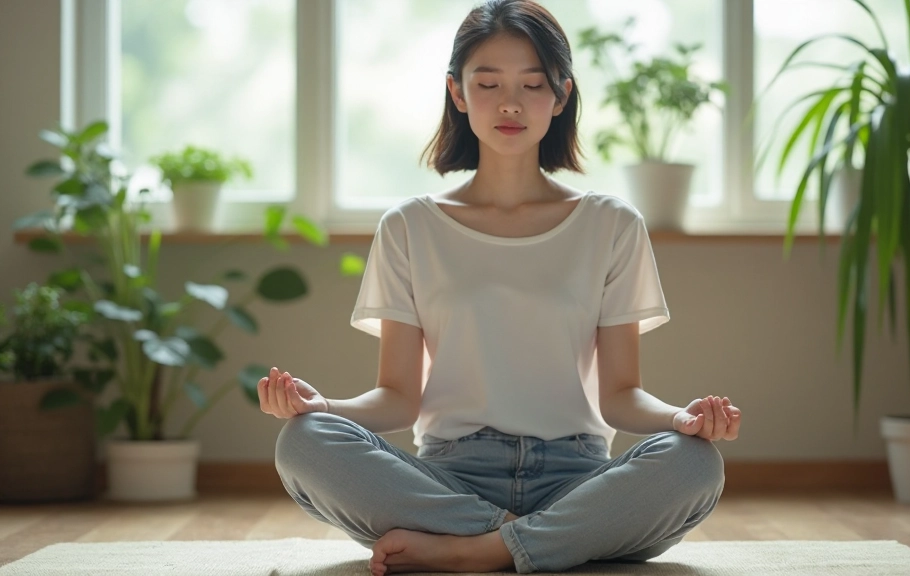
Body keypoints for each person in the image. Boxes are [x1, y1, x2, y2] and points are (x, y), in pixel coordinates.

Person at [259, 1, 742, 574]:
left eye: (532, 84)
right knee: (303, 443)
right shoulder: (409, 226)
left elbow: (620, 396)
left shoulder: (612, 224)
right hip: (449, 477)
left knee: (695, 464)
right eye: (487, 83)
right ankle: (534, 541)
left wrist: (680, 421)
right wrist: (324, 408)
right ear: (457, 93)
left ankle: (477, 549)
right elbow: (397, 396)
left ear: (560, 95)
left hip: (577, 474)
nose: (510, 103)